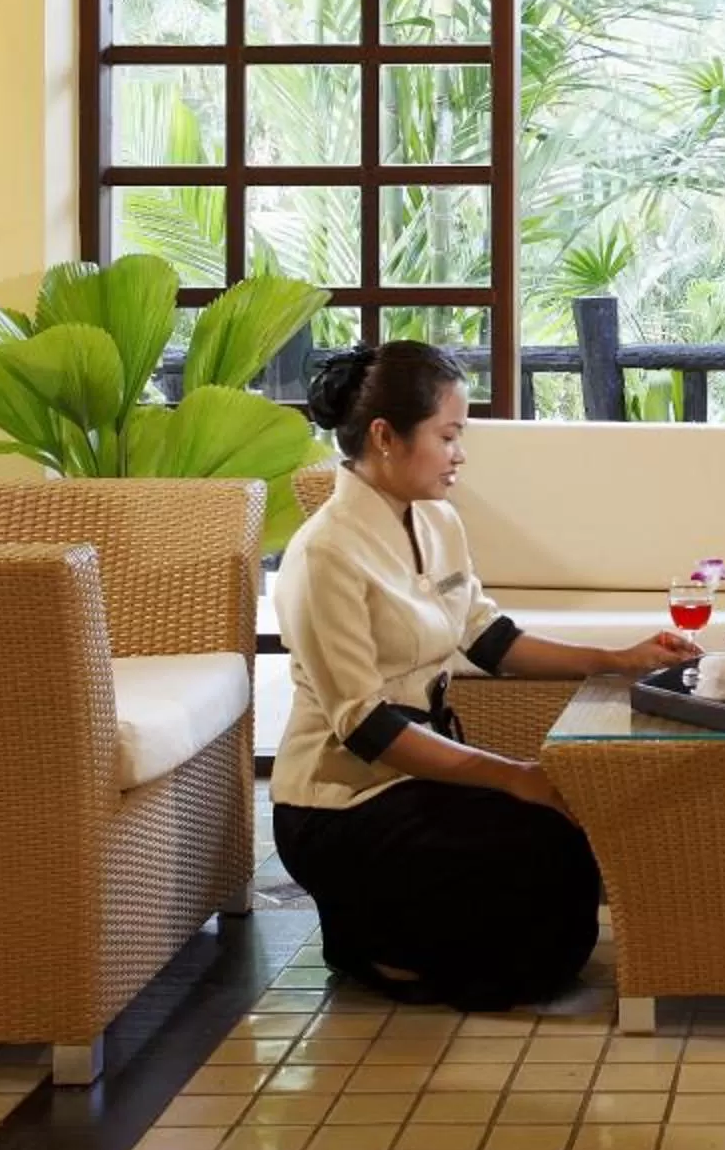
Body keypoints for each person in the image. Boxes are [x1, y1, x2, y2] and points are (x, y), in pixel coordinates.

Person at [271, 339, 699, 1009]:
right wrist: (511, 774)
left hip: (419, 772)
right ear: (385, 437)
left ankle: (393, 941)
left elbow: (489, 639)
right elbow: (368, 729)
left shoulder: (438, 522)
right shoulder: (324, 553)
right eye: (448, 434)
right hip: (342, 803)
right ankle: (366, 942)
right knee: (523, 849)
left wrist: (620, 660)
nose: (460, 453)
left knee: (561, 841)